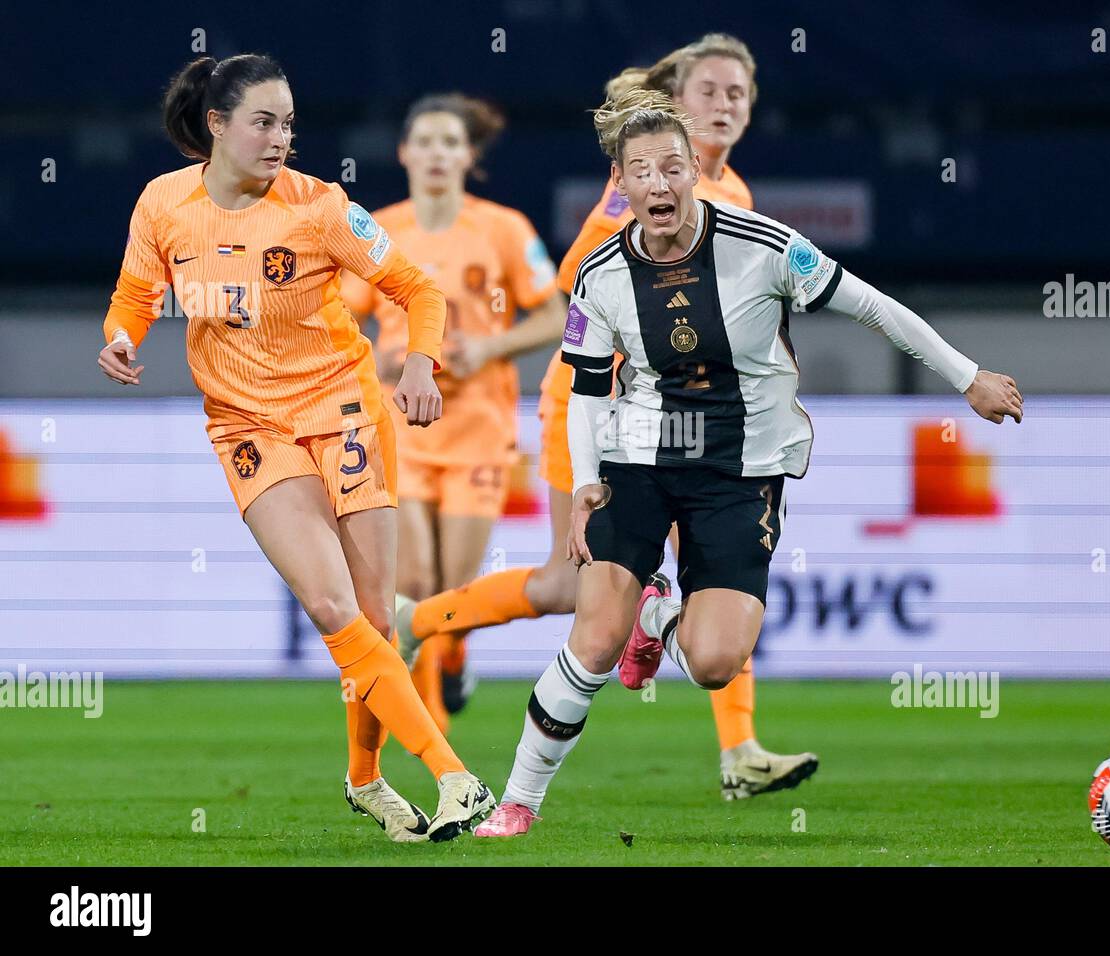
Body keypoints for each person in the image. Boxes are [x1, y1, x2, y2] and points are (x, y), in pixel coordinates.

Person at [473, 89, 1023, 837]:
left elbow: (874, 306)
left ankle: (660, 615)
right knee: (594, 636)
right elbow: (586, 392)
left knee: (713, 662)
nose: (660, 185)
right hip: (639, 458)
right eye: (642, 172)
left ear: (695, 169)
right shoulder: (600, 276)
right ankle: (518, 803)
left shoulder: (764, 246)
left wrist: (968, 377)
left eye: (673, 167)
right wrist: (586, 486)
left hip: (740, 471)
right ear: (620, 183)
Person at [397, 34, 819, 800]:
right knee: (578, 582)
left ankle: (739, 748)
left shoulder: (741, 196)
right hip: (600, 405)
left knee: (687, 568)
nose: (724, 105)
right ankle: (424, 619)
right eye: (710, 92)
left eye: (738, 95)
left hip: (688, 416)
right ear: (675, 107)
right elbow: (577, 288)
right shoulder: (641, 187)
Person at [95, 54, 495, 843]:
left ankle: (365, 780)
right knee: (330, 606)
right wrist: (120, 336)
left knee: (376, 618)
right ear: (217, 126)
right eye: (264, 122)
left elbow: (420, 289)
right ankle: (455, 778)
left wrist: (420, 363)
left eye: (288, 123)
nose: (282, 138)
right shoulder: (164, 204)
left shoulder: (319, 207)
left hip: (344, 410)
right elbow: (136, 292)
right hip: (247, 426)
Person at [340, 94, 564, 731]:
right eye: (426, 141)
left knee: (454, 589)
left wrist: (492, 345)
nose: (438, 153)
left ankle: (456, 652)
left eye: (450, 142)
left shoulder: (504, 229)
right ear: (405, 153)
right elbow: (334, 314)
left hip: (478, 433)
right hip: (400, 429)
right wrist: (383, 353)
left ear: (469, 156)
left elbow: (553, 313)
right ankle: (433, 730)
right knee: (413, 580)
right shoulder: (376, 231)